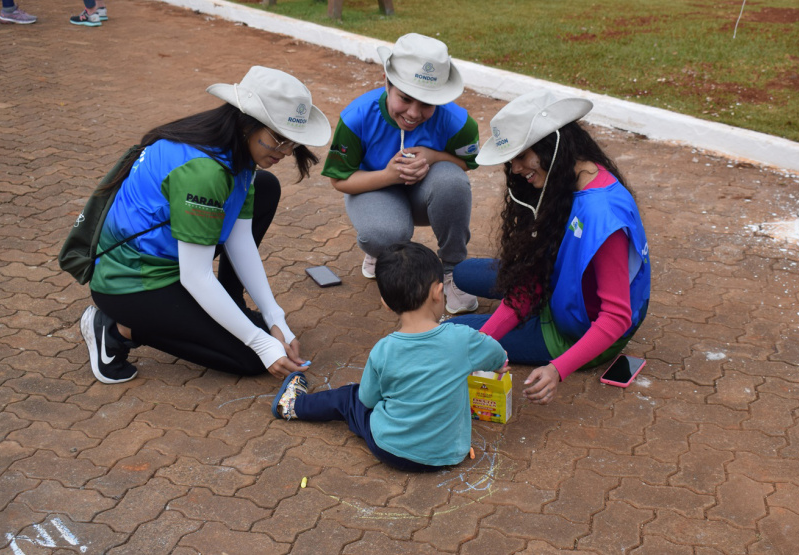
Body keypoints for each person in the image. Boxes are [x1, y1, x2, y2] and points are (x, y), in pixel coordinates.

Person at [80, 66, 332, 384]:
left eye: (292, 142)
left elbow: (240, 240)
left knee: (266, 187)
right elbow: (196, 276)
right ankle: (115, 330)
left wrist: (273, 316)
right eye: (279, 139)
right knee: (250, 359)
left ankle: (228, 300)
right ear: (247, 122)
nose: (286, 152)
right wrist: (259, 342)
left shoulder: (236, 152)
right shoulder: (205, 172)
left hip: (170, 260)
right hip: (130, 281)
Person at [450, 90, 650, 405]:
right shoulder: (566, 179)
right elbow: (529, 284)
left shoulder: (601, 213)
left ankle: (537, 336)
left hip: (577, 328)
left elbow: (616, 316)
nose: (515, 169)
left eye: (521, 156)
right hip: (561, 288)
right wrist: (486, 339)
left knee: (454, 331)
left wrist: (558, 369)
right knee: (463, 274)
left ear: (551, 146)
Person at [272, 242, 507, 471]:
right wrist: (498, 365)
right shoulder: (463, 339)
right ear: (438, 292)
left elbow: (367, 399)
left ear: (385, 304)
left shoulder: (383, 350)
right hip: (449, 452)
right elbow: (497, 353)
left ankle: (293, 405)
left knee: (348, 397)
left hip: (391, 449)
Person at [321, 33, 480, 314]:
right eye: (405, 99)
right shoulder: (357, 117)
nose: (414, 113)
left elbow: (467, 162)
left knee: (453, 182)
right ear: (386, 80)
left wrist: (434, 157)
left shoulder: (458, 122)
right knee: (383, 233)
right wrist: (388, 175)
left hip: (425, 195)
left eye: (427, 104)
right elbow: (339, 180)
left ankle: (453, 271)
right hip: (374, 189)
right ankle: (380, 253)